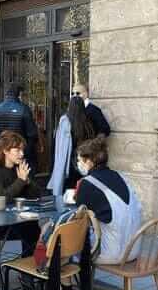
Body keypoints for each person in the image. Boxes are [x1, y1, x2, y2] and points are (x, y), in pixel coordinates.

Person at [0, 130, 42, 290]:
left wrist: (27, 181)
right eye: (17, 150)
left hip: (15, 219)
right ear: (5, 151)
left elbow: (37, 195)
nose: (22, 154)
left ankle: (30, 271)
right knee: (30, 231)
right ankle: (27, 273)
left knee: (36, 229)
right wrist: (20, 181)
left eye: (22, 150)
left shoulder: (18, 168)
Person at [76, 137, 141, 265]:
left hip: (112, 253)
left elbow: (78, 217)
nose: (78, 163)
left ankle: (63, 276)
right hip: (133, 250)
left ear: (88, 161)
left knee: (65, 239)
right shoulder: (121, 176)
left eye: (79, 160)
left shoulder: (87, 183)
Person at [47, 96, 95, 196]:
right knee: (80, 192)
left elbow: (58, 146)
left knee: (66, 193)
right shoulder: (88, 124)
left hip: (68, 165)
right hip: (83, 163)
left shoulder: (65, 123)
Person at [0, 83, 38, 172]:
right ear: (19, 94)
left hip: (3, 150)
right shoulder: (24, 109)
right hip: (19, 150)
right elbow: (32, 133)